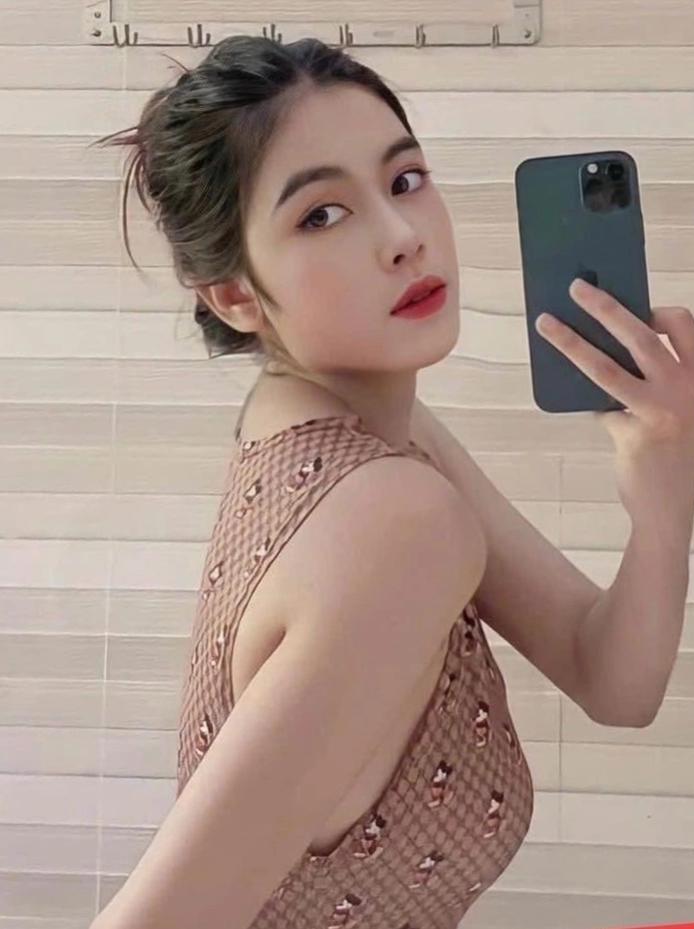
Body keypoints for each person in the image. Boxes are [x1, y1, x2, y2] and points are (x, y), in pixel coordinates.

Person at [89, 35, 534, 929]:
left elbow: (616, 676)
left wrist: (661, 451)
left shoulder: (345, 435)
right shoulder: (395, 515)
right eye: (322, 215)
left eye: (405, 179)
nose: (403, 238)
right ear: (234, 296)